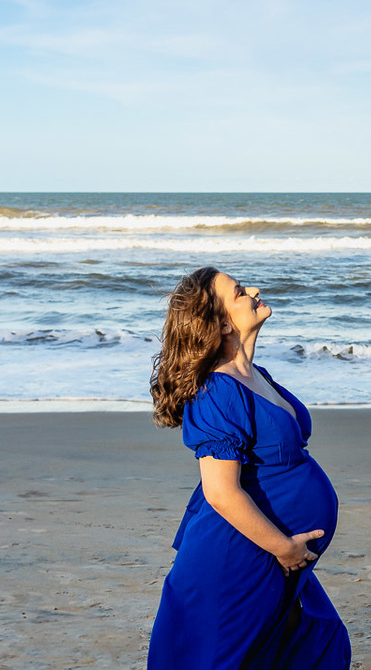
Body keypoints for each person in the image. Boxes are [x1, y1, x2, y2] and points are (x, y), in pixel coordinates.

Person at [147, 267, 351, 669]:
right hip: (242, 553)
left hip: (267, 553)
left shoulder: (257, 375)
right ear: (222, 323)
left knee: (313, 643)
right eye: (240, 292)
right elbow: (220, 492)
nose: (254, 290)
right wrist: (283, 547)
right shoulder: (217, 391)